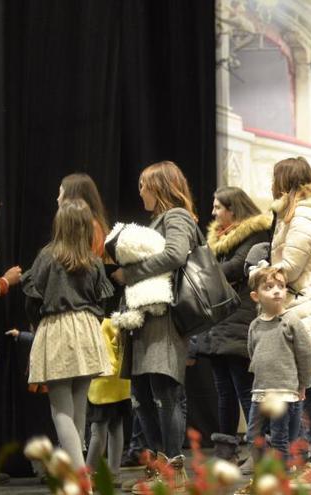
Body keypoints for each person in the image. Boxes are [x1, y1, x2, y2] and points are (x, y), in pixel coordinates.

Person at [111, 161, 199, 492]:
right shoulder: (161, 220)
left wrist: (129, 274)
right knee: (142, 397)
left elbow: (176, 255)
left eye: (143, 185)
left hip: (163, 317)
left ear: (159, 187)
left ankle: (173, 469)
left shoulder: (176, 216)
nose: (140, 191)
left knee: (165, 394)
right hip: (145, 318)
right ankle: (161, 465)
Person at [22, 199, 113, 469]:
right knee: (78, 410)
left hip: (57, 330)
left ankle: (79, 477)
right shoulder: (93, 261)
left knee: (60, 410)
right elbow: (102, 302)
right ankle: (76, 474)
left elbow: (31, 300)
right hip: (86, 330)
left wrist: (39, 325)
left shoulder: (47, 257)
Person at [269, 156, 311, 489]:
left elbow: (291, 267)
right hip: (305, 304)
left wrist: (260, 273)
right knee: (309, 389)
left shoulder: (304, 214)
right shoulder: (301, 213)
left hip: (305, 304)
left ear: (283, 182)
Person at [194, 186, 271, 462]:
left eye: (218, 208)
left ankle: (259, 453)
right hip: (219, 322)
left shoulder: (255, 233)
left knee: (246, 391)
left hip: (239, 319)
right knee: (224, 391)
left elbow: (236, 268)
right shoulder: (218, 239)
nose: (213, 213)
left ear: (233, 209)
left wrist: (205, 271)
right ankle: (226, 452)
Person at [233, 266, 311, 495]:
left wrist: (303, 384)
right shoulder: (255, 326)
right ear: (255, 296)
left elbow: (305, 354)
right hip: (260, 391)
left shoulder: (291, 322)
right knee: (253, 435)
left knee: (280, 438)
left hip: (284, 392)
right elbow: (253, 352)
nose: (277, 291)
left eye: (280, 286)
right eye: (269, 287)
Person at [86, 319, 131, 483]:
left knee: (98, 429)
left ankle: (88, 474)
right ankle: (114, 474)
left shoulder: (99, 322)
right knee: (116, 426)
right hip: (120, 381)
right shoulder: (118, 319)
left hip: (103, 381)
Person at [58, 173, 110, 257]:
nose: (58, 199)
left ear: (72, 197)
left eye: (61, 193)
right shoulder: (88, 225)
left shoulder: (91, 227)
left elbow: (83, 265)